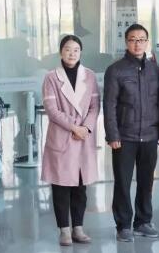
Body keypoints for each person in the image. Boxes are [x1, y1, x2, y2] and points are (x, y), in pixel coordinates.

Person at [103, 24, 159, 242]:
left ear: (147, 42)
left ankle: (143, 222)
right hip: (125, 136)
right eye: (132, 39)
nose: (137, 44)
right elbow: (109, 105)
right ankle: (123, 225)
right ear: (126, 42)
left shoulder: (154, 69)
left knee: (146, 181)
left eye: (141, 39)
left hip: (150, 134)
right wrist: (113, 135)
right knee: (123, 182)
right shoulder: (115, 70)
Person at [41, 35, 100, 246]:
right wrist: (74, 127)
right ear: (60, 52)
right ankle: (64, 231)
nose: (72, 53)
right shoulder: (51, 77)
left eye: (76, 50)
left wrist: (86, 128)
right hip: (63, 136)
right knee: (61, 186)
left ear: (80, 52)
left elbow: (95, 106)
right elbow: (52, 110)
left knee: (80, 187)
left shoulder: (89, 76)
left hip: (83, 137)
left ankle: (78, 228)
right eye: (67, 49)